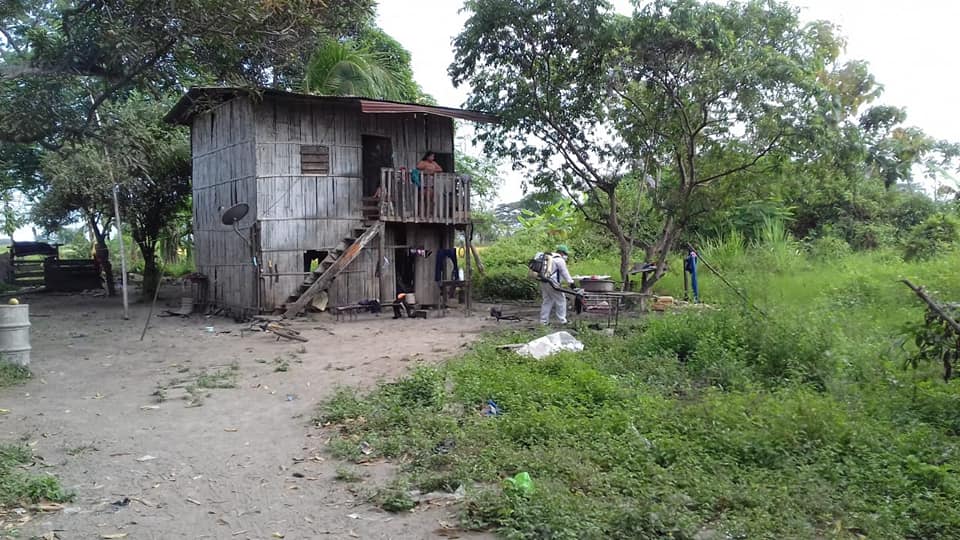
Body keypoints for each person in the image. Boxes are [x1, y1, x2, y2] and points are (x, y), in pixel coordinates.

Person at [540, 245, 574, 325]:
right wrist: (571, 283)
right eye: (565, 254)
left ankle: (543, 321)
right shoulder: (559, 260)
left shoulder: (547, 258)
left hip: (543, 281)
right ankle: (562, 320)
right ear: (561, 253)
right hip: (552, 282)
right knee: (561, 300)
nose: (566, 256)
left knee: (547, 301)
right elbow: (564, 272)